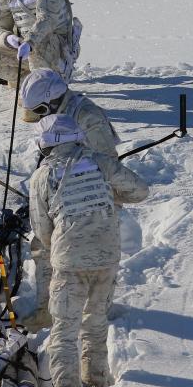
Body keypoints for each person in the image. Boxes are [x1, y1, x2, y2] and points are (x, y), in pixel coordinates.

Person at [28, 115, 149, 387]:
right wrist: (108, 196)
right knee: (95, 324)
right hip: (107, 258)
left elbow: (41, 228)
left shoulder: (43, 176)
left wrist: (58, 246)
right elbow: (140, 191)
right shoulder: (100, 162)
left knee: (64, 331)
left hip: (69, 261)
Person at [18, 68, 121, 329]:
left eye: (40, 110)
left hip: (91, 204)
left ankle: (87, 314)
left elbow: (108, 166)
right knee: (42, 247)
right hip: (62, 197)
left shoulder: (89, 119)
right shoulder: (59, 113)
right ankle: (50, 310)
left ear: (52, 99)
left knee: (65, 253)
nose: (39, 117)